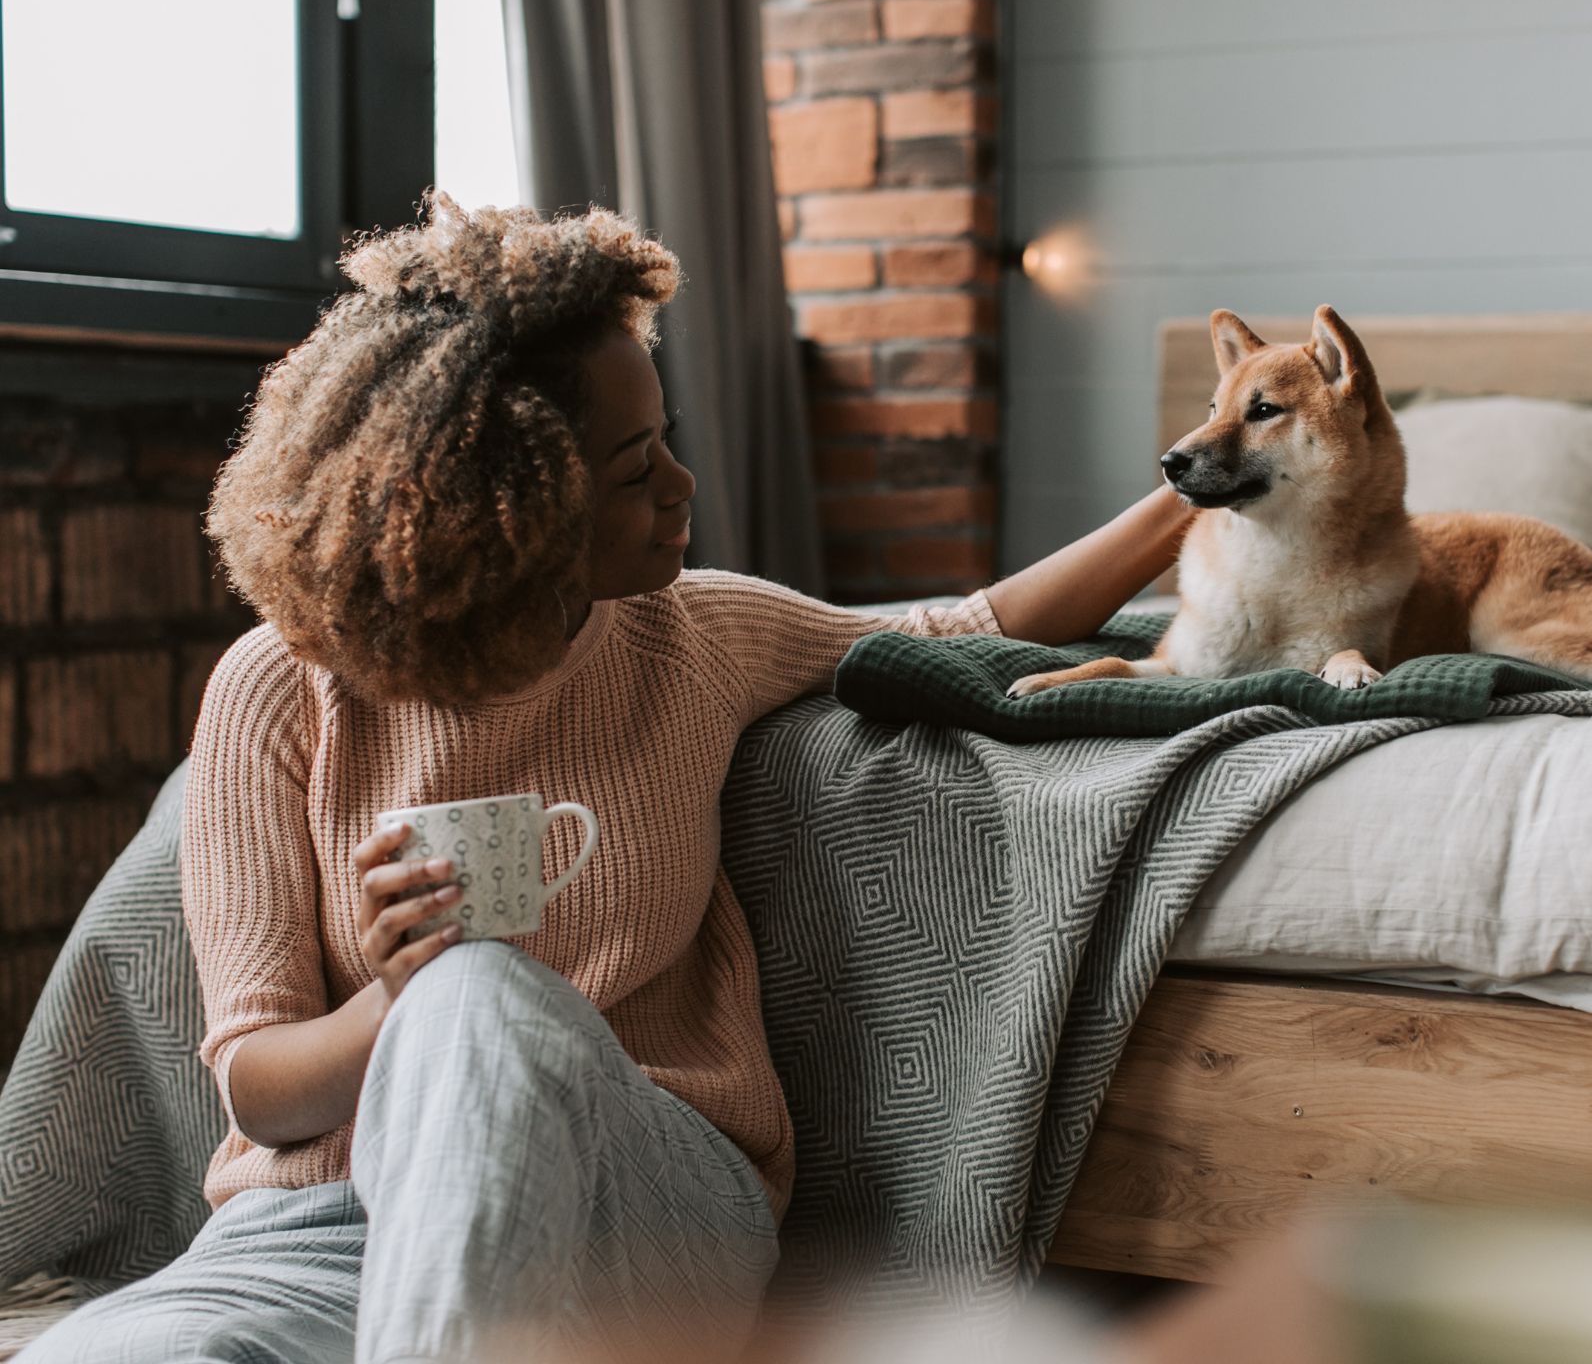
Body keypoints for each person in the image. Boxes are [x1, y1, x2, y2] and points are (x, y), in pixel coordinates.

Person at [21, 194, 1190, 1363]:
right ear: (505, 511)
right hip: (318, 1234)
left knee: (479, 998)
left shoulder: (695, 637)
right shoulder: (277, 688)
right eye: (637, 471)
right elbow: (259, 1090)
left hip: (636, 1210)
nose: (683, 485)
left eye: (664, 444)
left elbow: (965, 625)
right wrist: (390, 998)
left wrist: (1199, 491)